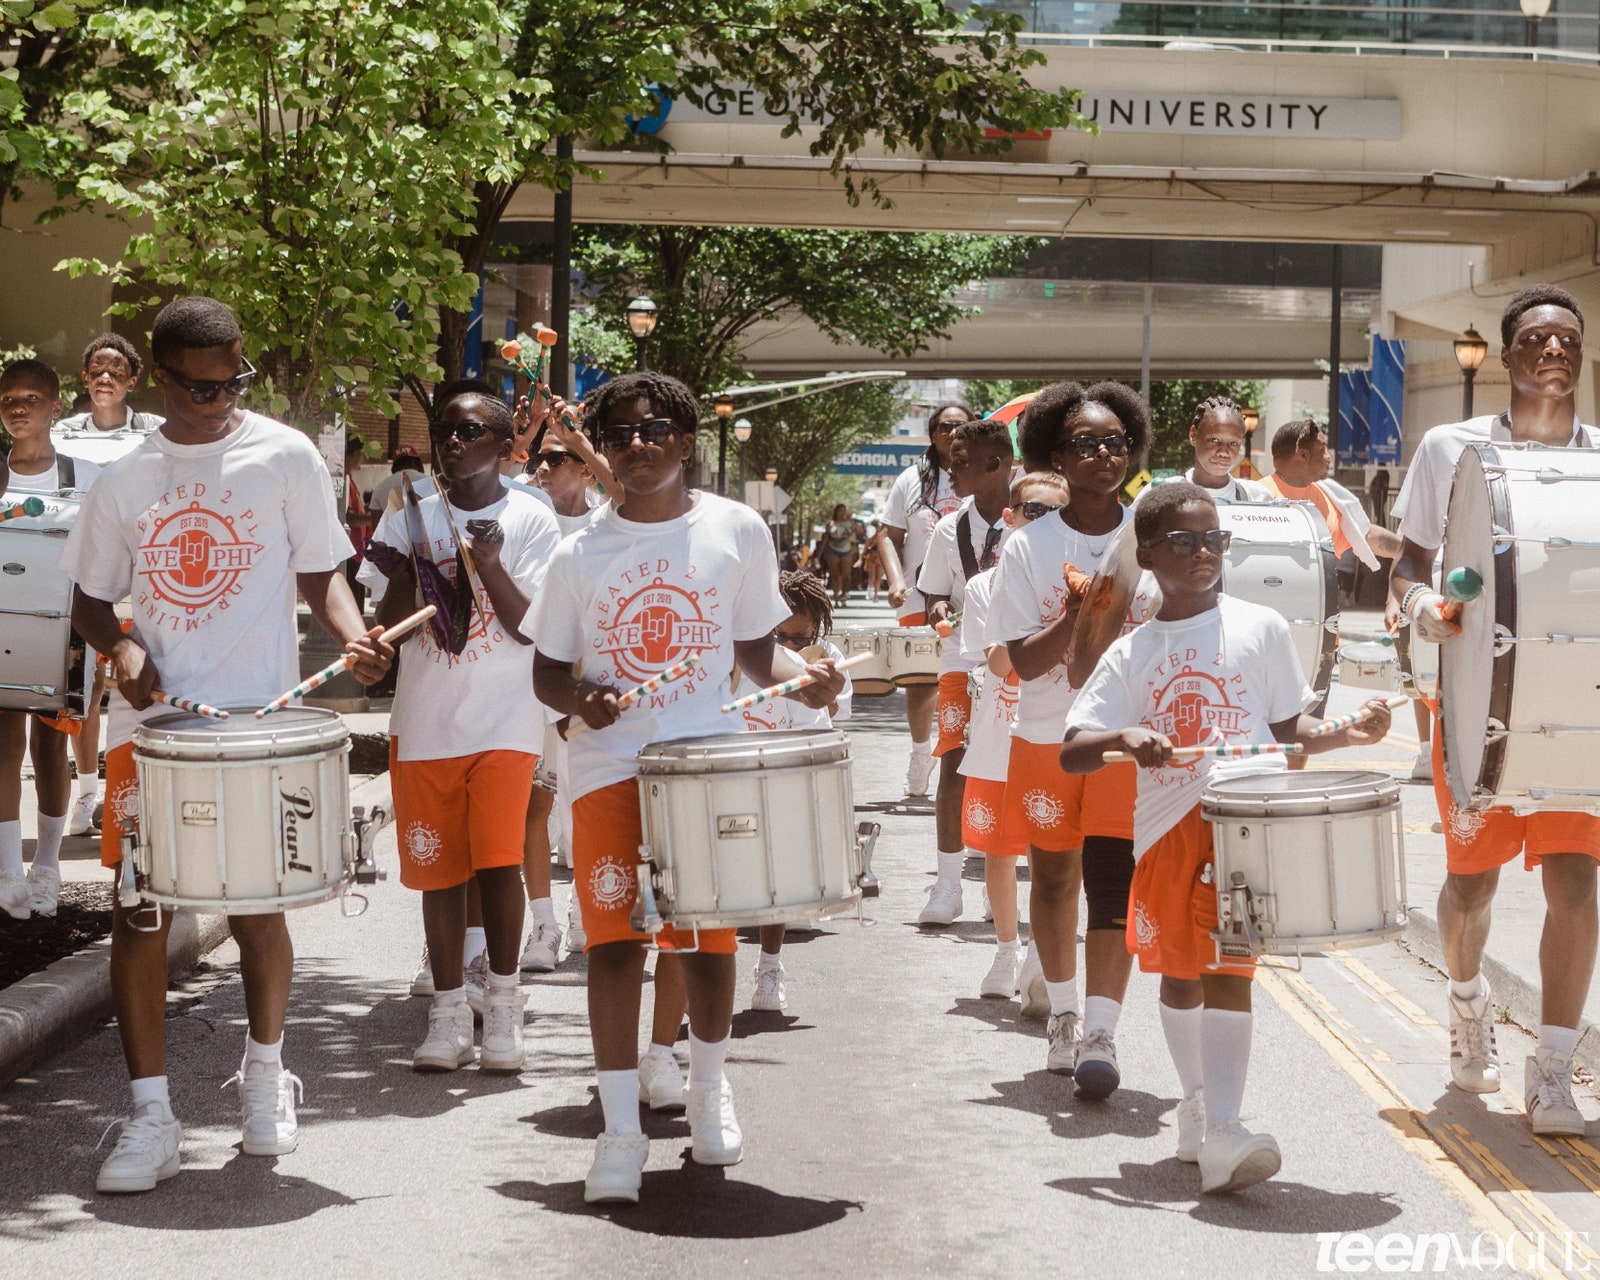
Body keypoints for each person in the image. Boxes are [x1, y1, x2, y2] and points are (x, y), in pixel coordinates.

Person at [60, 297, 392, 1193]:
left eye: (234, 379)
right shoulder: (125, 478)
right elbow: (90, 598)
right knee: (140, 912)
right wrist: (121, 645)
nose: (220, 397)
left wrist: (354, 634)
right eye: (202, 386)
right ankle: (151, 1116)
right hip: (154, 731)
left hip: (258, 720)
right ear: (160, 380)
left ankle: (263, 1076)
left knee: (257, 907)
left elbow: (321, 574)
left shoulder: (283, 454)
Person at [530, 371, 844, 1205]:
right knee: (614, 947)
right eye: (623, 431)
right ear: (607, 442)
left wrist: (803, 677)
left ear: (685, 439)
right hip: (610, 772)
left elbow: (755, 652)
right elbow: (548, 676)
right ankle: (621, 1133)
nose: (640, 444)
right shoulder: (579, 551)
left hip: (707, 767)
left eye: (657, 428)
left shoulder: (736, 529)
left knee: (707, 943)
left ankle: (708, 1093)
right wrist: (584, 701)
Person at [1061, 481, 1392, 1192]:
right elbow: (1074, 749)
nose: (1204, 552)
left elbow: (1290, 730)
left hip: (1243, 823)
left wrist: (1346, 733)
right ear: (1147, 554)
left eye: (1215, 541)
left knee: (1228, 969)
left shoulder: (1263, 627)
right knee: (1182, 974)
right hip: (1169, 827)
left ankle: (1227, 1126)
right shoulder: (1133, 651)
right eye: (1184, 541)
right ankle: (1199, 1102)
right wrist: (1124, 737)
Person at [1391, 283, 1600, 1136]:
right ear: (1507, 357)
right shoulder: (1450, 448)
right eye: (1537, 341)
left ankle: (1553, 1066)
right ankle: (1468, 999)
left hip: (1576, 705)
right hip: (1477, 700)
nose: (1554, 352)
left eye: (1568, 341)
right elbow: (1406, 565)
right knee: (1470, 885)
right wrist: (1423, 611)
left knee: (1577, 882)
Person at [361, 392, 560, 1073]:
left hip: (505, 720)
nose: (452, 442)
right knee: (438, 874)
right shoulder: (409, 511)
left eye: (469, 432)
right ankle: (446, 1011)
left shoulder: (531, 516)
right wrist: (409, 566)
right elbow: (385, 620)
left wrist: (491, 564)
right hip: (424, 722)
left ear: (505, 445)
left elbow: (529, 626)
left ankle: (502, 1004)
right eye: (444, 431)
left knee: (499, 863)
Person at [987, 381, 1153, 1097]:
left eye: (1116, 441)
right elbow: (1020, 661)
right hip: (1048, 736)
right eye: (1086, 444)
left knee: (1114, 881)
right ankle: (1062, 1012)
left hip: (1125, 740)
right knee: (1054, 878)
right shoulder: (1028, 547)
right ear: (1056, 453)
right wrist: (1080, 614)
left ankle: (1102, 1032)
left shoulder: (1152, 533)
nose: (1104, 455)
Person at [962, 470, 1070, 1001]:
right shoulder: (985, 586)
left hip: (1053, 736)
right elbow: (1004, 666)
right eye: (1033, 511)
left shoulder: (1075, 577)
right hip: (999, 737)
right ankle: (1006, 948)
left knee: (1050, 853)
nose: (1043, 523)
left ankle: (1040, 954)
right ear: (1010, 517)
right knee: (1000, 855)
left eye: (1056, 513)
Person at [0, 358, 99, 917]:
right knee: (4, 745)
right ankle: (9, 870)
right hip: (4, 624)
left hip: (66, 630)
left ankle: (48, 867)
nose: (19, 408)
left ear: (55, 406)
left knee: (50, 745)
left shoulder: (86, 476)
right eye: (9, 399)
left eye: (31, 398)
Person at [51, 334, 161, 840]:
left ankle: (146, 794)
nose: (105, 379)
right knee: (85, 691)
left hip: (140, 575)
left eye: (116, 371)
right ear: (85, 377)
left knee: (141, 683)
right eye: (97, 370)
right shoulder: (62, 434)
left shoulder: (154, 433)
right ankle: (88, 795)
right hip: (81, 575)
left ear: (132, 380)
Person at [914, 415, 1015, 926]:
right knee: (954, 759)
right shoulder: (950, 526)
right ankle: (947, 886)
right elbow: (934, 592)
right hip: (961, 658)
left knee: (1017, 767)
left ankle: (1005, 883)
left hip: (1020, 663)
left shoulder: (1035, 519)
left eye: (960, 463)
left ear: (995, 464)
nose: (949, 472)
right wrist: (937, 613)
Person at [738, 568, 853, 1011]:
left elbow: (820, 728)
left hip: (786, 773)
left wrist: (811, 682)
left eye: (798, 636)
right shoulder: (745, 655)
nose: (788, 647)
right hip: (737, 772)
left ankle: (769, 968)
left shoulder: (823, 659)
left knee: (776, 882)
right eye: (778, 636)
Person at [1259, 419, 1402, 766]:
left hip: (1317, 644)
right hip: (1266, 644)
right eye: (1323, 450)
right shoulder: (1255, 497)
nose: (1329, 457)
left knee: (1300, 743)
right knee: (1259, 741)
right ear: (1301, 453)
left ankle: (1288, 802)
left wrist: (1408, 550)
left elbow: (1364, 537)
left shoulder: (1326, 499)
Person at [878, 403, 968, 797]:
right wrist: (896, 581)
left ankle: (962, 759)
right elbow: (887, 535)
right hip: (917, 596)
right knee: (920, 681)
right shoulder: (910, 480)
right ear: (933, 433)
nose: (953, 433)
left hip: (970, 596)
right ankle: (920, 754)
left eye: (962, 427)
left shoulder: (987, 475)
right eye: (946, 426)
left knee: (964, 680)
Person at [1175, 397, 1271, 502]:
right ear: (1193, 435)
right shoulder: (1164, 494)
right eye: (1214, 440)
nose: (1224, 452)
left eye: (1233, 443)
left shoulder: (1257, 497)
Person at [344, 435, 372, 614]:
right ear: (352, 454)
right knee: (354, 609)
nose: (362, 458)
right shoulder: (345, 481)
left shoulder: (350, 480)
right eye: (360, 454)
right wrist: (372, 518)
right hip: (350, 553)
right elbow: (349, 517)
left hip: (357, 553)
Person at [368, 446, 427, 515]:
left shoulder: (380, 488)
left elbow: (376, 523)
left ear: (395, 465)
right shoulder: (431, 483)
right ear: (417, 463)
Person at [820, 504, 856, 608]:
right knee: (835, 575)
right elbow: (826, 538)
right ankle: (835, 597)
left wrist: (851, 520)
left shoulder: (849, 523)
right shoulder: (831, 523)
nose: (842, 513)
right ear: (836, 512)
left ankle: (843, 594)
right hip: (832, 550)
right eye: (840, 511)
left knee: (847, 575)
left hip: (846, 550)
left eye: (844, 511)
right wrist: (819, 554)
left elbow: (860, 531)